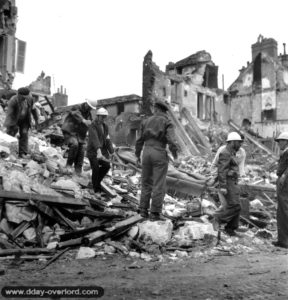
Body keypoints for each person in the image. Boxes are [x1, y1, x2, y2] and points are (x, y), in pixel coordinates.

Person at [135, 100, 179, 221]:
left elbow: (139, 141)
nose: (153, 110)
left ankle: (143, 210)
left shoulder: (146, 121)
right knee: (158, 184)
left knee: (146, 182)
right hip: (159, 152)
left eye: (154, 109)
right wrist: (175, 156)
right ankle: (154, 213)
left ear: (156, 109)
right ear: (164, 111)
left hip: (146, 152)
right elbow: (172, 141)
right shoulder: (167, 122)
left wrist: (137, 156)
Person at [214, 132, 243, 236]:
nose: (240, 145)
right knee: (235, 206)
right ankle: (218, 218)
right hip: (228, 182)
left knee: (238, 206)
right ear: (232, 142)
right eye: (239, 142)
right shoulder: (225, 153)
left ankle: (231, 229)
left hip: (233, 182)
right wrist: (223, 186)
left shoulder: (231, 152)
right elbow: (221, 170)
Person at [61, 99, 96, 175]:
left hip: (79, 135)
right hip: (69, 131)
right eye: (90, 107)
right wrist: (83, 120)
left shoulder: (88, 114)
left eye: (91, 108)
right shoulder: (76, 107)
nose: (90, 109)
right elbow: (75, 114)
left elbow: (90, 123)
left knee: (82, 149)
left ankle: (78, 170)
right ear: (86, 104)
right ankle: (68, 166)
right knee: (74, 144)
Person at [4, 87, 39, 158]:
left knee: (24, 134)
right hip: (14, 119)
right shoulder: (13, 100)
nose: (25, 98)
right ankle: (6, 151)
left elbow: (34, 110)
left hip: (25, 120)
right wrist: (11, 125)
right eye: (23, 97)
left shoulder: (30, 99)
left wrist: (36, 120)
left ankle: (22, 153)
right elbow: (10, 114)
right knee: (11, 134)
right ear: (19, 94)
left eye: (26, 97)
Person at [87, 107, 114, 194]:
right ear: (97, 116)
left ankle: (96, 183)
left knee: (107, 166)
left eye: (104, 117)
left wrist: (112, 152)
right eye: (102, 117)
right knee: (95, 168)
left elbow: (107, 139)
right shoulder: (92, 125)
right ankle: (95, 189)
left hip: (102, 151)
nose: (103, 119)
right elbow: (94, 139)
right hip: (93, 151)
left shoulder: (105, 126)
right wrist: (98, 152)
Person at [272, 132, 288, 249]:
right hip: (284, 183)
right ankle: (282, 239)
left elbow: (282, 170)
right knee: (282, 211)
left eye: (281, 141)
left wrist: (282, 176)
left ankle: (284, 240)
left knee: (283, 211)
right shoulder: (285, 152)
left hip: (285, 185)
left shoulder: (287, 152)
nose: (279, 144)